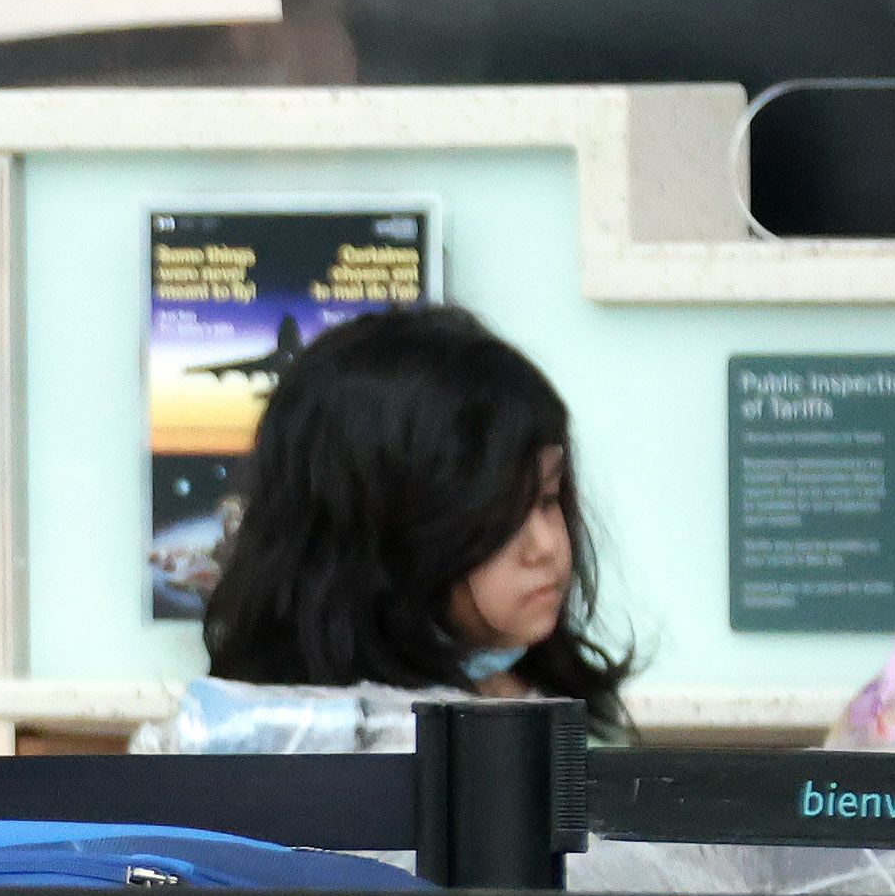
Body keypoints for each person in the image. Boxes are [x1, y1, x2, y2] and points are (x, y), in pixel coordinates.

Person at [169, 304, 629, 741]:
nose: (545, 547)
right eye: (499, 517)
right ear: (379, 535)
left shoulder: (570, 725)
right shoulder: (256, 739)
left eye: (548, 499)